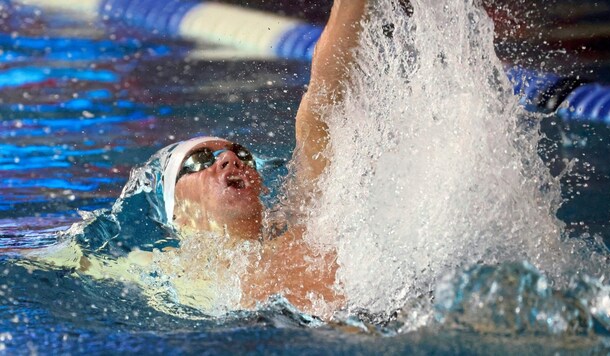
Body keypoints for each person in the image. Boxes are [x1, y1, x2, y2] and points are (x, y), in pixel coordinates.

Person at [15, 0, 369, 318]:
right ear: (178, 210)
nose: (229, 157)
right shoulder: (166, 270)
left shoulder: (306, 214)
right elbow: (48, 262)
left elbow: (323, 94)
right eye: (200, 160)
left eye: (240, 152)